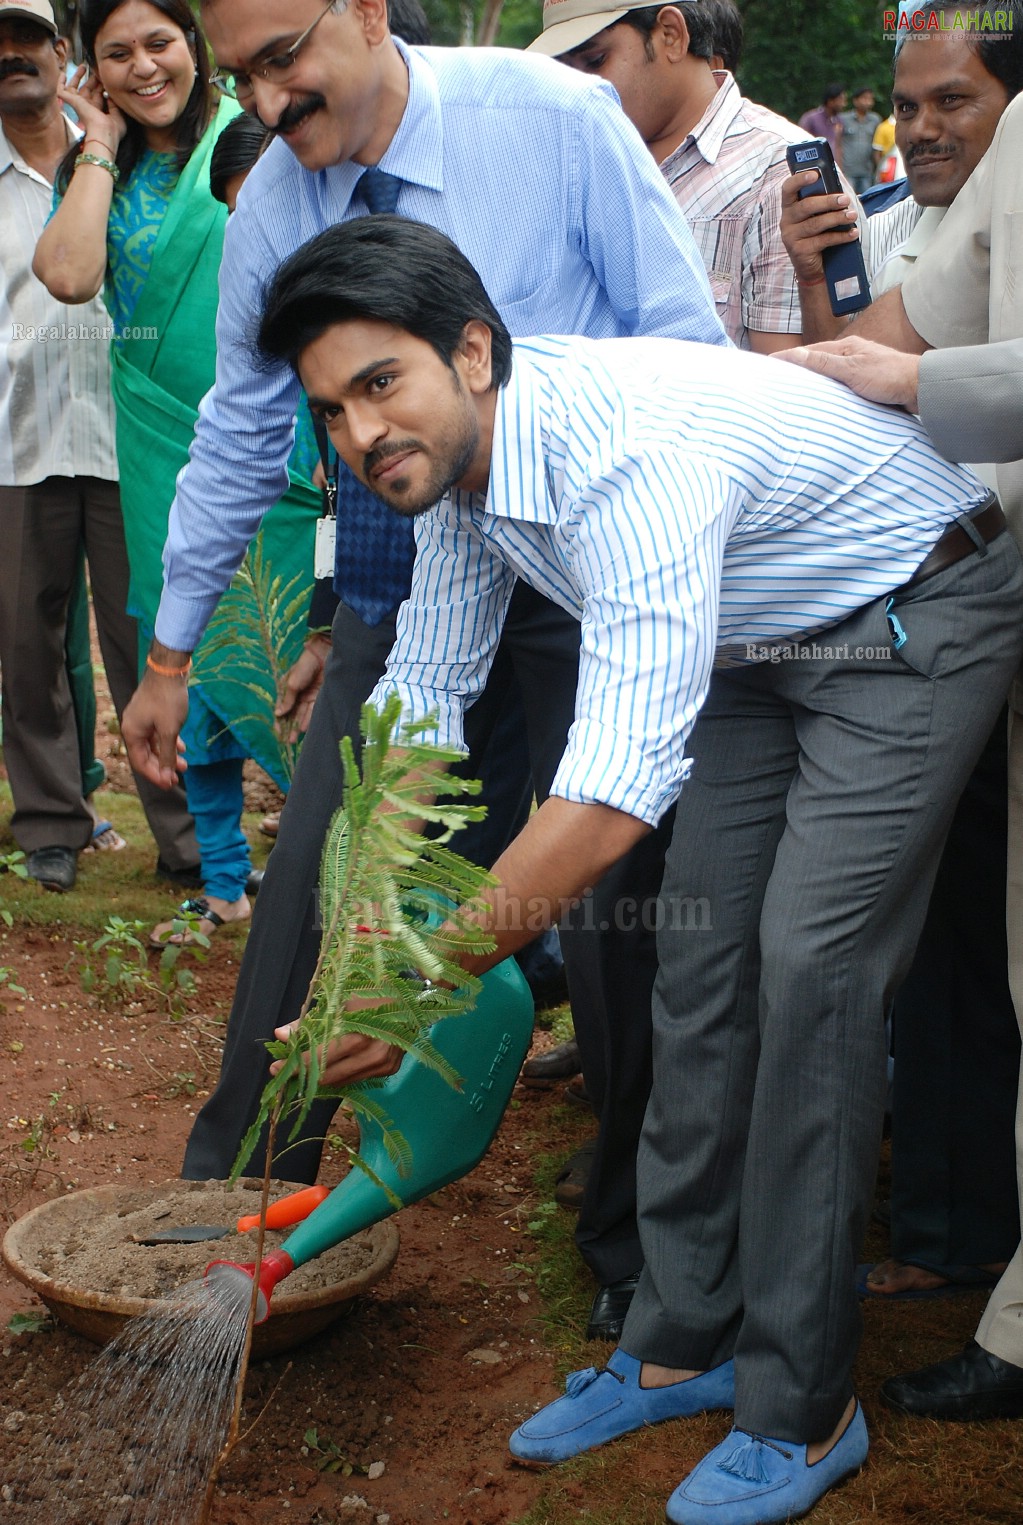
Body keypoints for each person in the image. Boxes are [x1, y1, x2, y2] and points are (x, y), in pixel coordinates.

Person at [256, 212, 1023, 1523]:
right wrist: (371, 945)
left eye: (379, 384)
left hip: (909, 617)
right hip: (755, 645)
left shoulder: (626, 456)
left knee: (807, 971)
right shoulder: (452, 471)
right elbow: (429, 693)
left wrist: (429, 979)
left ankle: (796, 1403)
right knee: (697, 966)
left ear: (474, 354)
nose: (359, 435)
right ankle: (678, 1339)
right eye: (331, 410)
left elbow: (607, 797)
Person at [115, 0, 727, 1344]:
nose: (269, 105)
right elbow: (238, 421)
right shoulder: (275, 197)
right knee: (327, 876)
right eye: (243, 79)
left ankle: (633, 1238)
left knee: (620, 919)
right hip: (413, 580)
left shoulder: (552, 122)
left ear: (368, 13)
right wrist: (168, 648)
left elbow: (683, 346)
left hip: (588, 576)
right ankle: (242, 1215)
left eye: (287, 61)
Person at [782, 91, 1023, 1421]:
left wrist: (919, 381)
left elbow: (905, 372)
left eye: (951, 99)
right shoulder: (904, 215)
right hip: (964, 611)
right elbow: (874, 351)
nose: (923, 122)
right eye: (907, 98)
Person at [33, 0, 321, 945]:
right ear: (92, 69)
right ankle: (227, 877)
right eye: (116, 54)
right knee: (185, 652)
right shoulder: (99, 168)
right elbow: (70, 277)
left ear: (194, 46)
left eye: (159, 43)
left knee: (287, 654)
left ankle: (341, 869)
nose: (142, 67)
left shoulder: (255, 131)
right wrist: (101, 149)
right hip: (159, 443)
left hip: (274, 431)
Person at [0, 0, 197, 894]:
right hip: (17, 439)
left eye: (27, 37)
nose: (12, 55)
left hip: (134, 444)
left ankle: (190, 833)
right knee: (26, 643)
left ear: (59, 50)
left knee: (153, 638)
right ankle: (50, 820)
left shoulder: (133, 153)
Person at [532, 0, 806, 353]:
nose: (578, 89)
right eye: (563, 71)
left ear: (671, 35)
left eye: (595, 61)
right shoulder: (566, 170)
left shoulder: (777, 173)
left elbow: (787, 382)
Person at [838, 85, 879, 194]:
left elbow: (878, 145)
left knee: (867, 201)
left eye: (870, 99)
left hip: (867, 170)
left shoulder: (875, 120)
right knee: (849, 201)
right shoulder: (843, 119)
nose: (868, 102)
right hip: (848, 170)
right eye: (864, 98)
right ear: (856, 101)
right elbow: (837, 143)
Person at [798, 80, 846, 165]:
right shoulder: (810, 118)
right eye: (840, 100)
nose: (843, 104)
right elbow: (800, 144)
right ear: (831, 101)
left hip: (832, 168)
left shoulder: (839, 120)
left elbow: (838, 146)